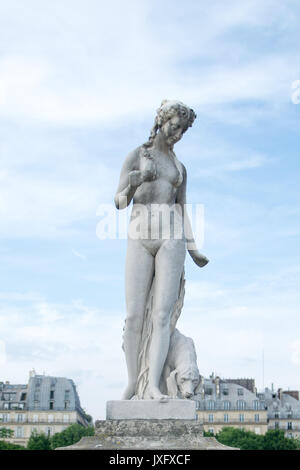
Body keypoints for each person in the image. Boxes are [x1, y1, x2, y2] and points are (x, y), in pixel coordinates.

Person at [114, 99, 209, 401]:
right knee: (133, 316)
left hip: (172, 237)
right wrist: (130, 186)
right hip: (140, 236)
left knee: (162, 317)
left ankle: (153, 385)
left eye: (183, 131)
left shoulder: (179, 168)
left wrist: (194, 249)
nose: (178, 134)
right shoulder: (136, 155)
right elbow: (118, 202)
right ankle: (133, 383)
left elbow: (182, 209)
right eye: (175, 127)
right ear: (161, 121)